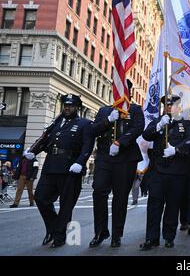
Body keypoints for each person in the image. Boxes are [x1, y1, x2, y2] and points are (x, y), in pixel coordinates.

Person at [24, 94, 94, 248]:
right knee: (40, 198)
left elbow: (87, 146)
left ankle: (59, 236)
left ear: (77, 107)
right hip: (50, 166)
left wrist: (80, 163)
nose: (67, 108)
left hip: (70, 168)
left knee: (66, 204)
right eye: (65, 105)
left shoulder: (84, 124)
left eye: (71, 105)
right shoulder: (56, 122)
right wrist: (33, 151)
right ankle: (54, 228)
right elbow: (45, 139)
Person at [89, 80, 144, 248]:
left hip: (126, 158)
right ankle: (100, 231)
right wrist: (107, 120)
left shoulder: (135, 110)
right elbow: (93, 130)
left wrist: (120, 142)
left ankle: (116, 234)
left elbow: (138, 127)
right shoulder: (104, 110)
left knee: (120, 197)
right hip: (105, 157)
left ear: (129, 92)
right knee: (98, 190)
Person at [140, 95, 190, 250]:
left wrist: (176, 150)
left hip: (177, 172)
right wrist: (158, 126)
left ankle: (169, 237)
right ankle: (151, 238)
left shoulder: (186, 123)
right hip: (158, 171)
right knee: (154, 205)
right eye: (166, 105)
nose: (169, 107)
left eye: (172, 105)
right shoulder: (159, 121)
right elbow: (146, 135)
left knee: (172, 205)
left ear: (179, 107)